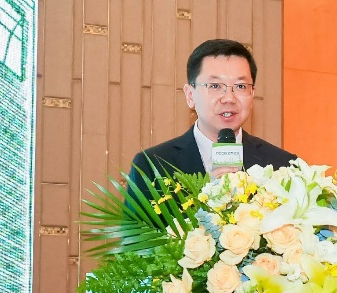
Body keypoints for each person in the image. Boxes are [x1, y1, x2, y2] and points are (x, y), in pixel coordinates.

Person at [127, 39, 296, 194]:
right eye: (215, 86)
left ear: (252, 94)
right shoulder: (152, 167)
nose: (229, 98)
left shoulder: (284, 166)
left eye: (240, 86)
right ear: (190, 95)